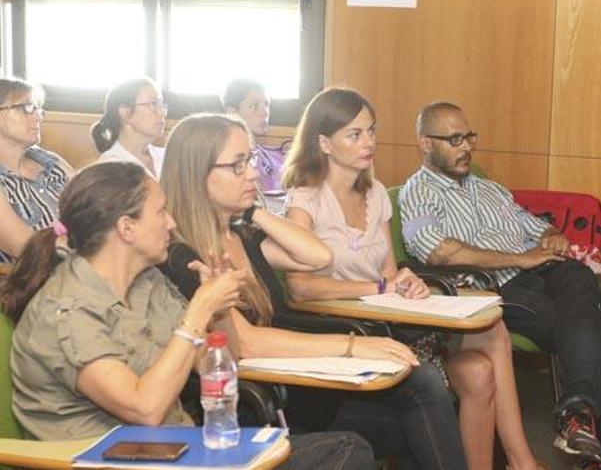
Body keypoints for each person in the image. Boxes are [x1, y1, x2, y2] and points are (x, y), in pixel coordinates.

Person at [3, 162, 372, 469]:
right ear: (126, 228)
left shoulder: (147, 282)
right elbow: (144, 409)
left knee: (346, 448)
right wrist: (198, 313)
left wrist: (220, 309)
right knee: (343, 453)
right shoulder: (66, 309)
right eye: (161, 211)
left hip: (182, 450)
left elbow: (218, 360)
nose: (171, 223)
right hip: (113, 460)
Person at [158, 112, 468, 470]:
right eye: (238, 165)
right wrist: (353, 347)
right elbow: (246, 342)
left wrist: (254, 211)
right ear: (197, 174)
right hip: (247, 407)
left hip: (292, 382)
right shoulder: (185, 256)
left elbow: (317, 254)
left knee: (420, 397)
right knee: (411, 406)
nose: (254, 173)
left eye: (252, 161)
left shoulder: (241, 232)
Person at [283, 87, 548, 470]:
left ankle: (515, 463)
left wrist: (407, 282)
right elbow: (300, 288)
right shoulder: (305, 199)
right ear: (324, 142)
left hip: (390, 319)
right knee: (487, 349)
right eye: (354, 135)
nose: (368, 142)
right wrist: (377, 288)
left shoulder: (375, 193)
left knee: (481, 364)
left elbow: (390, 273)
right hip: (348, 329)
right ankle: (522, 462)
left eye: (371, 131)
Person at [399, 101, 601, 468]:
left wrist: (551, 235)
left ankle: (579, 416)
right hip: (497, 288)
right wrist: (520, 259)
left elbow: (530, 225)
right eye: (454, 139)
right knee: (598, 332)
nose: (466, 146)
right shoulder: (419, 192)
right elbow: (437, 252)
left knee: (579, 277)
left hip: (541, 273)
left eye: (469, 136)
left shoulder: (488, 188)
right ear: (425, 143)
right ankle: (589, 437)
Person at [0, 77, 72, 263]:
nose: (38, 116)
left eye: (38, 108)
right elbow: (25, 246)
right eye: (26, 108)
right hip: (39, 283)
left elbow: (95, 203)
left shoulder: (52, 162)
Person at [222, 78, 289, 214]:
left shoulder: (277, 155)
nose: (265, 112)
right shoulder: (225, 161)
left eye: (266, 104)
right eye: (254, 106)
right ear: (232, 113)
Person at [92, 77, 167, 178]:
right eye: (153, 104)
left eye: (161, 104)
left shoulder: (166, 156)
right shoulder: (110, 166)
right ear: (125, 112)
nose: (162, 113)